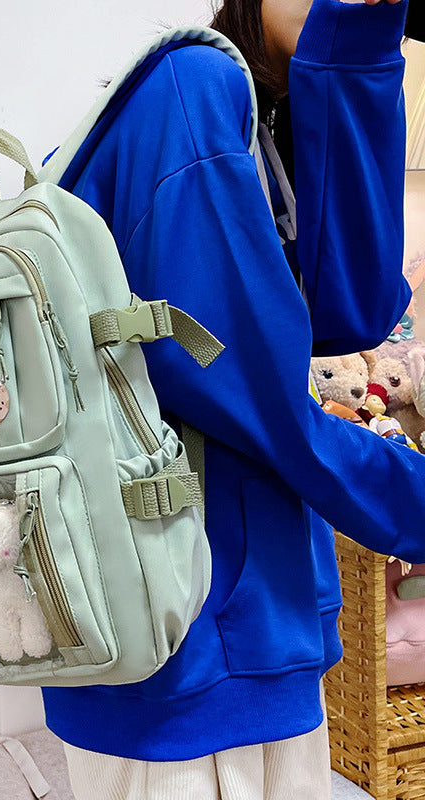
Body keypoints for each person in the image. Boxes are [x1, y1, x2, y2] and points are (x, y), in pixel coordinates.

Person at [39, 0, 425, 797]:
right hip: (191, 646)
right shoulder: (195, 86)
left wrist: (348, 62)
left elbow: (352, 309)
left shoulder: (265, 111)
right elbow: (257, 397)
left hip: (240, 620)